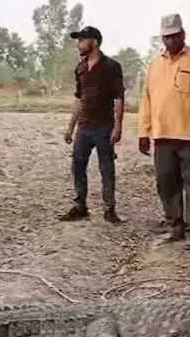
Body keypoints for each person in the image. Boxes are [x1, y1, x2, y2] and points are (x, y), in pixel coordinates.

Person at [138, 14, 190, 249]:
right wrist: (144, 132)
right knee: (166, 183)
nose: (172, 41)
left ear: (183, 35)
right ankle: (175, 227)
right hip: (163, 135)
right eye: (167, 37)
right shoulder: (155, 64)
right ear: (162, 39)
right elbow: (147, 99)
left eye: (175, 36)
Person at [59, 26, 125, 224]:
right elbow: (79, 99)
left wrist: (118, 126)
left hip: (104, 126)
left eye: (82, 40)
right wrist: (71, 127)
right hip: (84, 126)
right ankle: (81, 206)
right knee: (78, 165)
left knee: (107, 168)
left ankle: (109, 210)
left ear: (94, 42)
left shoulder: (112, 66)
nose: (78, 44)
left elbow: (119, 98)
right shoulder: (80, 68)